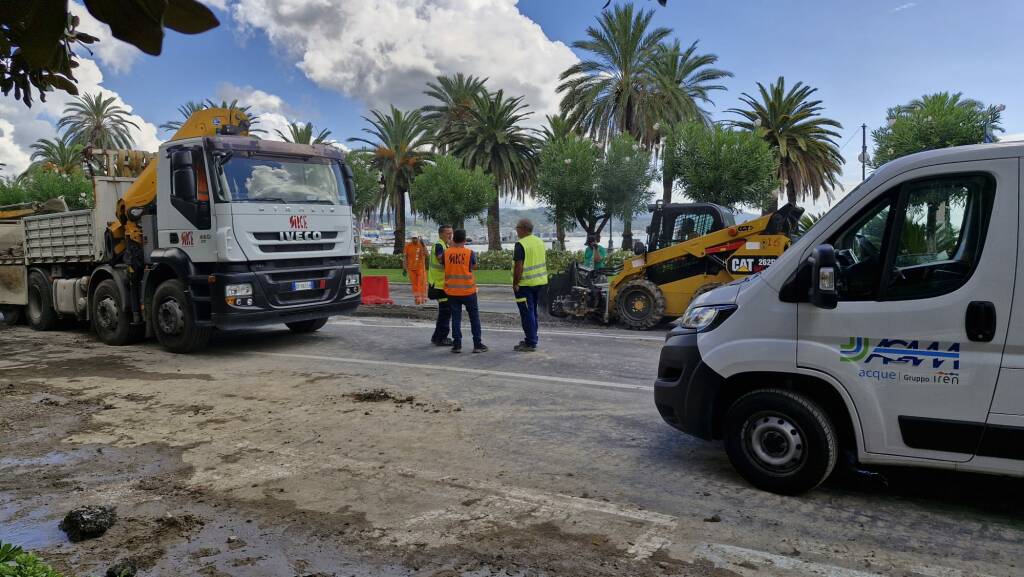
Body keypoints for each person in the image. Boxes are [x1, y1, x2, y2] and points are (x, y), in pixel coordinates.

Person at [443, 229, 487, 354]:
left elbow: (444, 265)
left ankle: (457, 345)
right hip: (468, 291)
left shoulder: (446, 253)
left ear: (453, 239)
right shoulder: (469, 253)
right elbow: (474, 266)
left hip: (452, 292)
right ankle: (477, 344)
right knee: (474, 318)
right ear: (464, 240)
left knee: (456, 319)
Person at [512, 218, 548, 352]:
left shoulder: (521, 244)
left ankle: (531, 342)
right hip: (540, 282)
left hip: (525, 284)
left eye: (517, 228)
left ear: (523, 229)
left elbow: (518, 266)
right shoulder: (539, 241)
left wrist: (516, 283)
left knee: (527, 313)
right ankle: (531, 338)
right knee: (532, 313)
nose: (516, 230)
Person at [428, 225, 455, 345]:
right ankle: (441, 338)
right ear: (441, 234)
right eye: (448, 233)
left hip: (442, 284)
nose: (450, 235)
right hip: (439, 285)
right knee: (445, 312)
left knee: (444, 312)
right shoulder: (439, 245)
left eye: (451, 233)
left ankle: (436, 337)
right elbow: (441, 259)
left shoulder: (446, 246)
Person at [403, 234, 428, 304]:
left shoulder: (421, 245)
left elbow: (427, 254)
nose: (414, 240)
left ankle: (423, 298)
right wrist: (404, 268)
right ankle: (417, 298)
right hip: (411, 269)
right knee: (414, 285)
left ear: (418, 238)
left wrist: (423, 245)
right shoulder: (407, 246)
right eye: (413, 238)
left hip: (420, 268)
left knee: (421, 284)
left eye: (416, 238)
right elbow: (405, 257)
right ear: (411, 238)